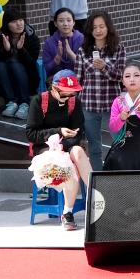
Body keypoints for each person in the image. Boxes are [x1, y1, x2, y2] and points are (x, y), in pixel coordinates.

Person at [25, 73, 92, 230]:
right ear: (54, 88)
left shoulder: (74, 102)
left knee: (78, 152)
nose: (69, 96)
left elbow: (79, 131)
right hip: (44, 148)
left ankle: (97, 195)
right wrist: (59, 132)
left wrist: (67, 142)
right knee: (68, 164)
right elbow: (31, 134)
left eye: (72, 92)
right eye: (65, 92)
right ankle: (67, 213)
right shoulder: (38, 101)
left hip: (68, 145)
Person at [74, 10, 127, 171]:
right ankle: (99, 181)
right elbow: (78, 80)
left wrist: (105, 67)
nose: (98, 30)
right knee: (94, 147)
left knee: (120, 142)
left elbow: (121, 77)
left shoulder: (118, 48)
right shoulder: (83, 50)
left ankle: (120, 175)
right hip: (89, 106)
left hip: (112, 106)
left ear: (108, 27)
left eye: (101, 26)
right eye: (94, 27)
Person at [0, 8, 38, 118]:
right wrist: (5, 50)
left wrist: (21, 50)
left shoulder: (31, 36)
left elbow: (31, 63)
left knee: (13, 63)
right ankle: (11, 102)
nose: (19, 24)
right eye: (14, 22)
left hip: (26, 78)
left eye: (20, 20)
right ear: (7, 24)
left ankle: (25, 103)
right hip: (6, 79)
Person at [40, 8, 84, 81]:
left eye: (69, 20)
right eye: (61, 21)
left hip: (78, 78)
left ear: (74, 22)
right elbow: (47, 68)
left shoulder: (82, 39)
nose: (65, 24)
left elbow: (86, 65)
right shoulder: (49, 42)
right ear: (55, 23)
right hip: (57, 80)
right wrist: (56, 60)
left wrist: (71, 55)